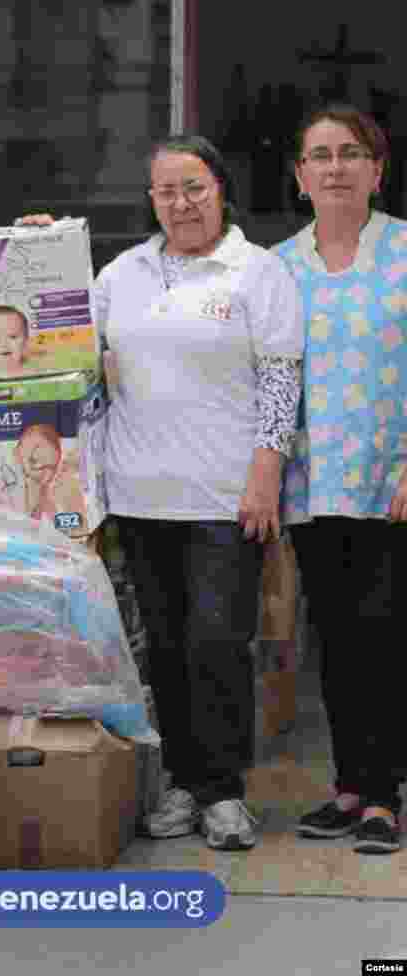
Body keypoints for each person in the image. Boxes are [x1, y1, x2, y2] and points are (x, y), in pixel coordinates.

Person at [20, 135, 305, 850]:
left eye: (194, 188)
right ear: (151, 200)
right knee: (168, 649)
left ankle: (224, 791)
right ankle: (182, 781)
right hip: (138, 496)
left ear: (220, 189)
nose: (181, 204)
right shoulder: (125, 274)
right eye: (166, 192)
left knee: (216, 643)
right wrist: (31, 254)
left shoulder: (257, 272)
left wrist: (266, 471)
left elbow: (280, 379)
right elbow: (62, 343)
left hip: (222, 497)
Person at [273, 104, 407, 855]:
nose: (335, 167)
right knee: (338, 637)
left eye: (351, 153)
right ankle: (351, 785)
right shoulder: (280, 267)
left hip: (392, 481)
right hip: (312, 482)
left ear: (377, 169)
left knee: (389, 632)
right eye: (320, 155)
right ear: (299, 176)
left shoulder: (405, 253)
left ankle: (386, 794)